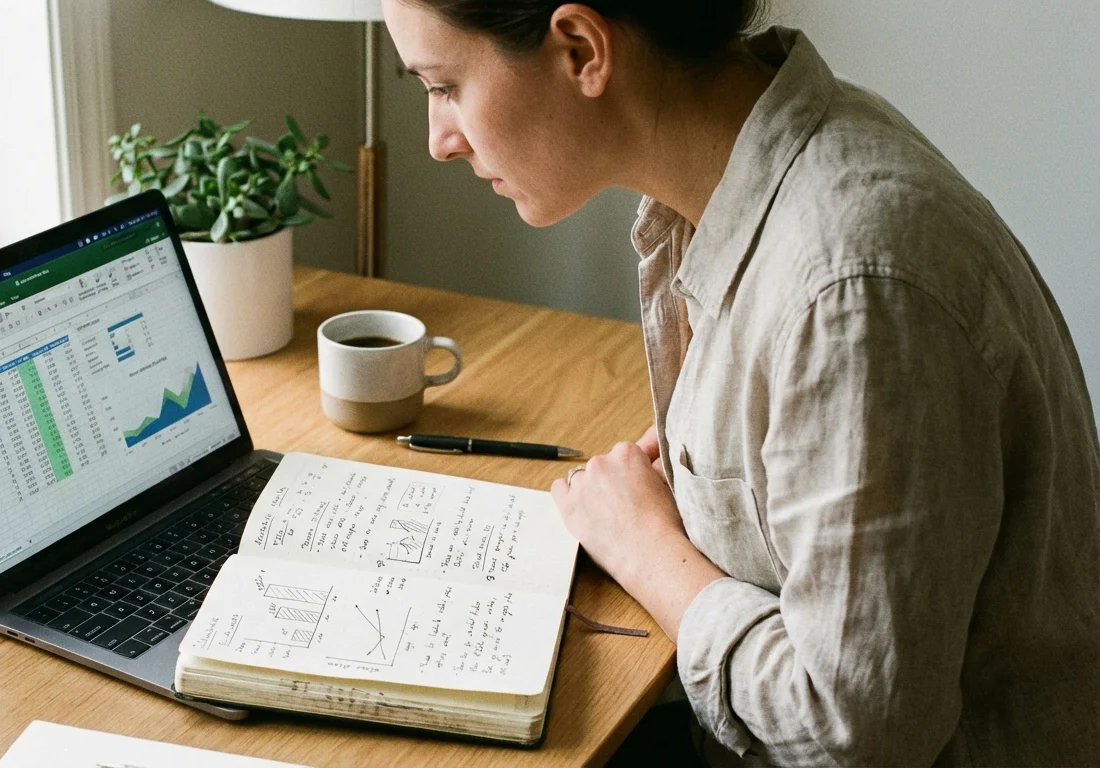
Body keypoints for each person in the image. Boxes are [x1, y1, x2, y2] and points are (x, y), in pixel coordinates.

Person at [381, 0, 1100, 765]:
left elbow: (855, 733)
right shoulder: (747, 171)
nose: (438, 141)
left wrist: (645, 548)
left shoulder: (849, 284)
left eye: (445, 86)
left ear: (582, 50)